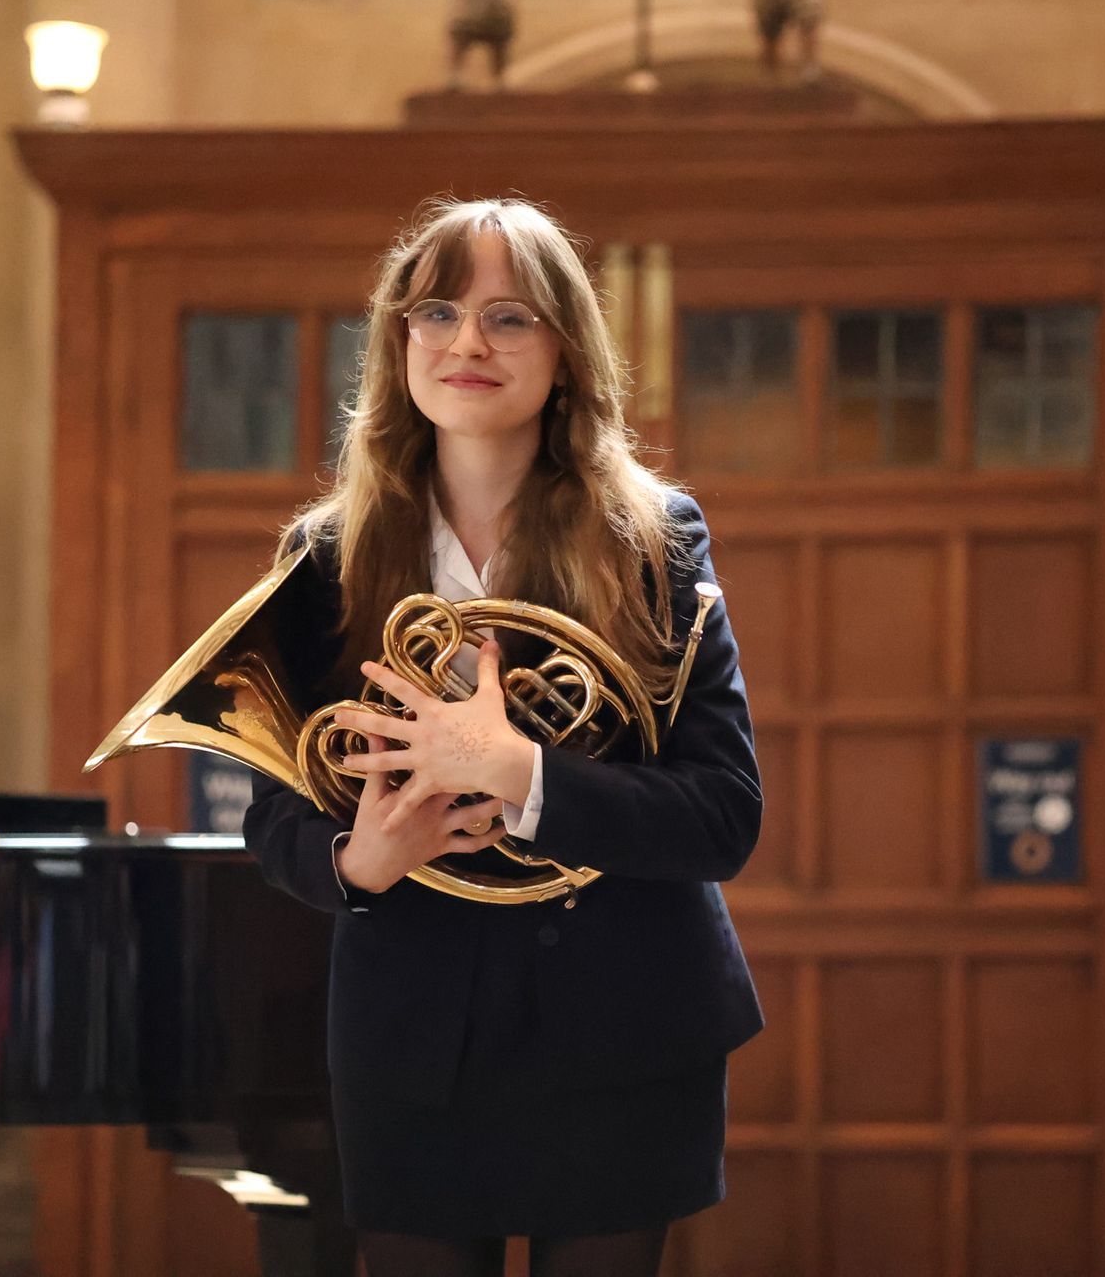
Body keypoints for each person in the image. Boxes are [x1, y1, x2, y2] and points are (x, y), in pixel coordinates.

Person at [241, 197, 765, 1277]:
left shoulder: (655, 536)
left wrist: (520, 770)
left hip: (625, 1026)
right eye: (435, 311)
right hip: (413, 1043)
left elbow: (724, 814)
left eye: (510, 317)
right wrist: (357, 859)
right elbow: (271, 811)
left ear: (566, 352)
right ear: (399, 344)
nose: (467, 341)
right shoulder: (324, 552)